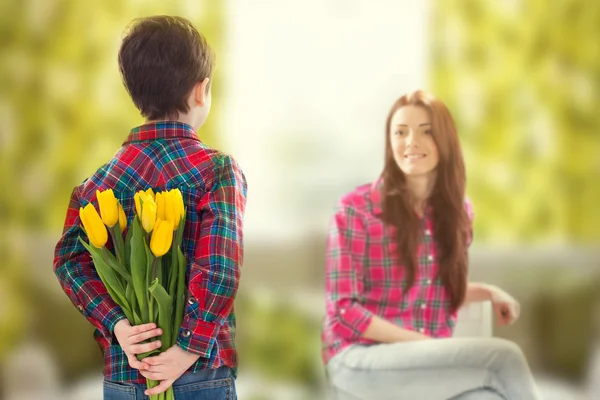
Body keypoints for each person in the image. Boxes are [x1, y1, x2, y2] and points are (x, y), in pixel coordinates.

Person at [54, 15, 246, 399]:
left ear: (135, 94)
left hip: (128, 370)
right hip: (200, 370)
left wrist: (118, 325)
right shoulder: (216, 171)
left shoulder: (95, 186)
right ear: (201, 91)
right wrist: (187, 348)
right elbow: (220, 268)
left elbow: (67, 262)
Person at [322, 90, 541, 400]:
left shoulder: (458, 212)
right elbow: (344, 310)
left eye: (426, 132)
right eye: (400, 132)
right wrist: (420, 343)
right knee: (503, 358)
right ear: (389, 143)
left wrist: (489, 292)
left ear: (445, 142)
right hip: (358, 362)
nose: (411, 141)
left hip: (423, 362)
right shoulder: (355, 209)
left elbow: (434, 288)